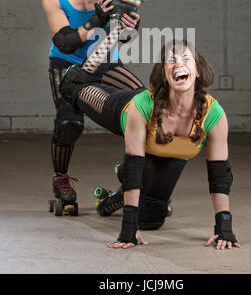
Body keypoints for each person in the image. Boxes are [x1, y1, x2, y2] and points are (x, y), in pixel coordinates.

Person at [59, 23, 241, 250]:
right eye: (170, 61)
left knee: (152, 220)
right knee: (72, 84)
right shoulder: (141, 106)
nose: (178, 64)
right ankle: (110, 26)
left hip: (166, 149)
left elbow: (220, 175)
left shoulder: (214, 115)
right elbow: (135, 164)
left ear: (198, 70)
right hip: (125, 109)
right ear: (164, 74)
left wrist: (224, 226)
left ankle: (117, 195)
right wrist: (128, 229)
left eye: (186, 58)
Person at [42, 0, 142, 207]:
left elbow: (126, 35)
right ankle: (60, 177)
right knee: (69, 123)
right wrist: (97, 18)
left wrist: (131, 25)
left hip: (103, 58)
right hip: (67, 63)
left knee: (144, 108)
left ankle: (129, 176)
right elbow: (65, 42)